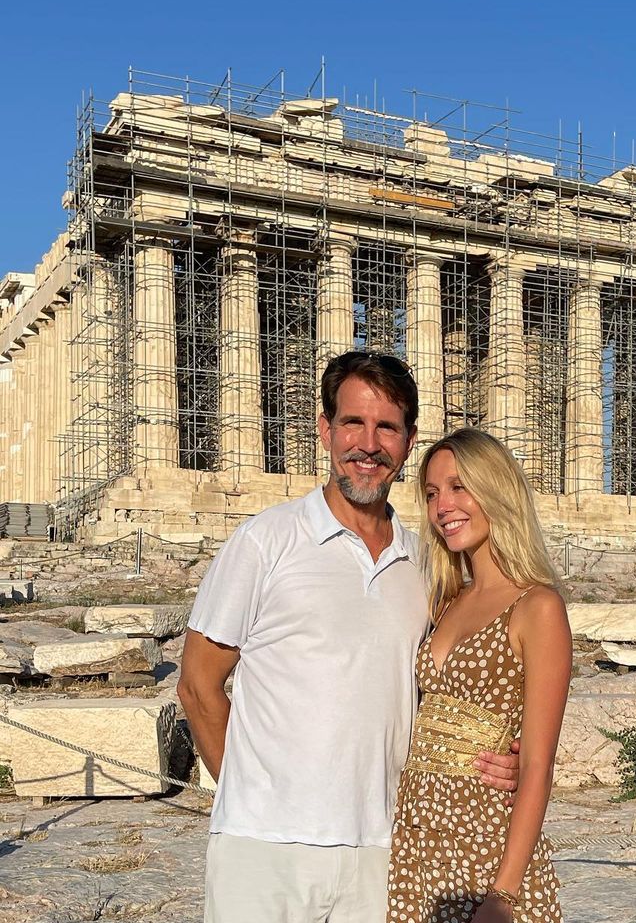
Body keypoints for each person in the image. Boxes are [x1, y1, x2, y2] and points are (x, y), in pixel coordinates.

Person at [178, 352, 519, 923]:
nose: (368, 444)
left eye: (387, 427)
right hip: (265, 851)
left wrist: (508, 756)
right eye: (353, 423)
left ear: (408, 442)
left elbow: (452, 692)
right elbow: (197, 685)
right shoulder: (264, 542)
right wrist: (254, 796)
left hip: (383, 852)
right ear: (325, 429)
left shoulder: (428, 566)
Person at [386, 428, 571, 923]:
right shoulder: (444, 600)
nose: (442, 507)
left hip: (486, 841)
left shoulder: (537, 606)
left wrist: (502, 894)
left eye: (458, 486)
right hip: (416, 842)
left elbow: (537, 764)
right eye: (431, 493)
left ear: (496, 489)